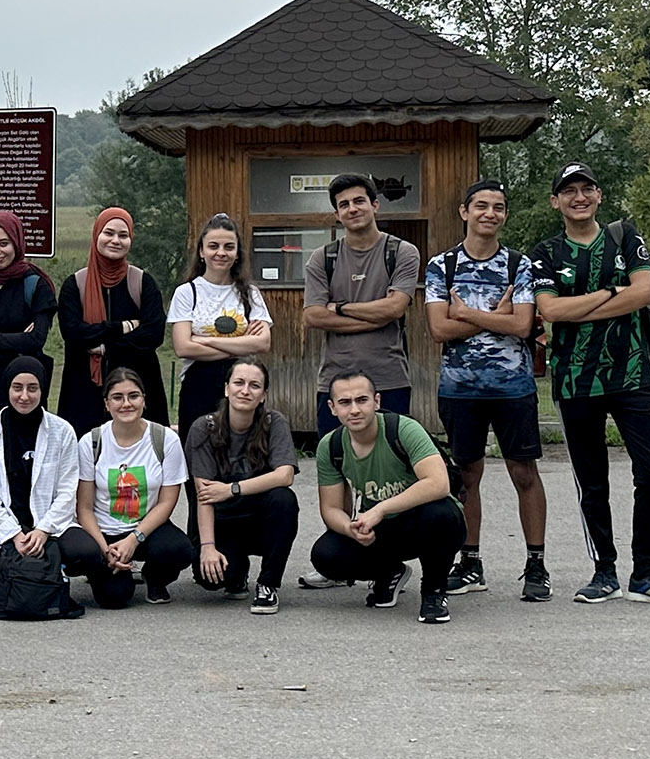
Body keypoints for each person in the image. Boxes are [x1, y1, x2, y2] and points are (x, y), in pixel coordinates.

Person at [529, 162, 650, 607]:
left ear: (599, 195)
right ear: (555, 201)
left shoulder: (626, 239)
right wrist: (608, 295)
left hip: (632, 373)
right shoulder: (545, 252)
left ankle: (647, 573)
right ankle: (604, 571)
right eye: (569, 191)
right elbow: (551, 312)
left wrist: (579, 305)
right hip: (576, 379)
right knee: (592, 479)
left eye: (586, 189)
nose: (578, 197)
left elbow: (644, 293)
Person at [423, 181, 549, 601]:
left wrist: (467, 312)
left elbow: (522, 326)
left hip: (513, 388)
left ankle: (536, 564)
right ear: (464, 212)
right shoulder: (442, 267)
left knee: (524, 473)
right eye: (481, 206)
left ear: (505, 215)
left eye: (498, 207)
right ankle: (470, 561)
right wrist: (495, 315)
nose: (489, 214)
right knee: (466, 476)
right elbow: (439, 329)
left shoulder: (519, 265)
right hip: (460, 390)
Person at [309, 372, 466, 623]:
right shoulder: (331, 446)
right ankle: (390, 572)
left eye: (362, 400)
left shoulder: (403, 428)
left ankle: (434, 592)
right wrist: (349, 528)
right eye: (345, 402)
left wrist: (380, 509)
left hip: (423, 520)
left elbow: (439, 484)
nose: (354, 409)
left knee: (440, 514)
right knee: (325, 554)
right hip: (382, 529)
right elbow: (330, 509)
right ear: (332, 408)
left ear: (377, 402)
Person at [167, 213, 272, 526]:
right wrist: (241, 341)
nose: (220, 253)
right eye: (213, 246)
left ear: (238, 252)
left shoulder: (249, 294)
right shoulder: (188, 292)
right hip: (198, 386)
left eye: (228, 246)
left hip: (242, 384)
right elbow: (182, 347)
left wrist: (203, 340)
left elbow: (263, 343)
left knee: (237, 461)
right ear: (201, 250)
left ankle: (233, 541)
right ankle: (200, 543)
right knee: (198, 464)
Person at [302, 174, 421, 436]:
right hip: (336, 382)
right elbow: (313, 316)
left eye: (359, 201)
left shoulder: (402, 252)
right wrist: (376, 317)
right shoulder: (322, 258)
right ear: (336, 213)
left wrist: (341, 307)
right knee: (337, 463)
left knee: (393, 463)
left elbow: (395, 309)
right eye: (344, 204)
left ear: (375, 205)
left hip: (389, 379)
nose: (352, 208)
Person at [185, 358, 298, 614]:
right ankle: (237, 571)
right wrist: (208, 548)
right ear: (226, 389)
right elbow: (203, 495)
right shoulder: (204, 428)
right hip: (222, 519)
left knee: (284, 499)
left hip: (259, 518)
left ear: (263, 395)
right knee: (211, 580)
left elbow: (285, 475)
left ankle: (268, 584)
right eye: (239, 383)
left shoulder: (274, 422)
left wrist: (231, 488)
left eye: (254, 385)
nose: (245, 390)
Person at [73, 368, 191, 606]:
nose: (126, 404)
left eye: (133, 396)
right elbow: (84, 508)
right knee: (113, 598)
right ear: (107, 404)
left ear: (144, 400)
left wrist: (134, 539)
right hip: (104, 531)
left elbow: (167, 502)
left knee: (180, 550)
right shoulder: (91, 442)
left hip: (146, 528)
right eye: (117, 397)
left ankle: (154, 578)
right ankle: (103, 567)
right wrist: (105, 548)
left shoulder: (165, 439)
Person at [0, 354, 88, 589]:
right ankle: (43, 575)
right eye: (17, 388)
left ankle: (54, 573)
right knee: (6, 569)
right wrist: (15, 535)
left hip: (49, 524)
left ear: (42, 390)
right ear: (7, 388)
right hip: (5, 528)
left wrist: (43, 530)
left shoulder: (62, 431)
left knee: (87, 553)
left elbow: (67, 491)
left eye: (32, 388)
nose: (24, 396)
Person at [57, 207, 168, 434]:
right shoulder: (75, 285)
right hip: (84, 393)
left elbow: (153, 334)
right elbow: (73, 333)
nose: (115, 240)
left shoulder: (143, 282)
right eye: (108, 233)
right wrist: (121, 327)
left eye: (123, 235)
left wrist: (104, 346)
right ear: (96, 234)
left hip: (137, 389)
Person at [0, 211, 59, 452]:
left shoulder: (35, 285)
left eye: (4, 244)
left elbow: (35, 339)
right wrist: (16, 340)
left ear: (17, 243)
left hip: (24, 390)